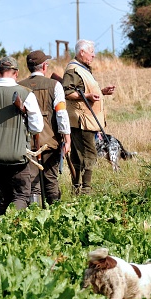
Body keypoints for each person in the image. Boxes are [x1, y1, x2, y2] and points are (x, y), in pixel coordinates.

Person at [0, 56, 44, 215]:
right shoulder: (26, 94)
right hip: (17, 155)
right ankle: (16, 227)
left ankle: (2, 228)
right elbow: (37, 127)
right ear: (16, 73)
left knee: (3, 196)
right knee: (20, 194)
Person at [62, 39, 115, 195]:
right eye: (91, 52)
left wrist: (102, 92)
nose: (93, 55)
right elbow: (67, 92)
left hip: (85, 119)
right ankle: (85, 190)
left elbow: (81, 90)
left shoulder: (82, 68)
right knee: (87, 153)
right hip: (81, 119)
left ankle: (78, 188)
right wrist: (87, 96)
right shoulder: (73, 69)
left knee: (80, 154)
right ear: (82, 52)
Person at [18, 50, 71, 205]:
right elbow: (61, 114)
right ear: (44, 66)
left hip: (26, 143)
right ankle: (55, 213)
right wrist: (67, 139)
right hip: (50, 141)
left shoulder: (18, 86)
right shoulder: (55, 85)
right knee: (51, 179)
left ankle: (35, 215)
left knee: (32, 182)